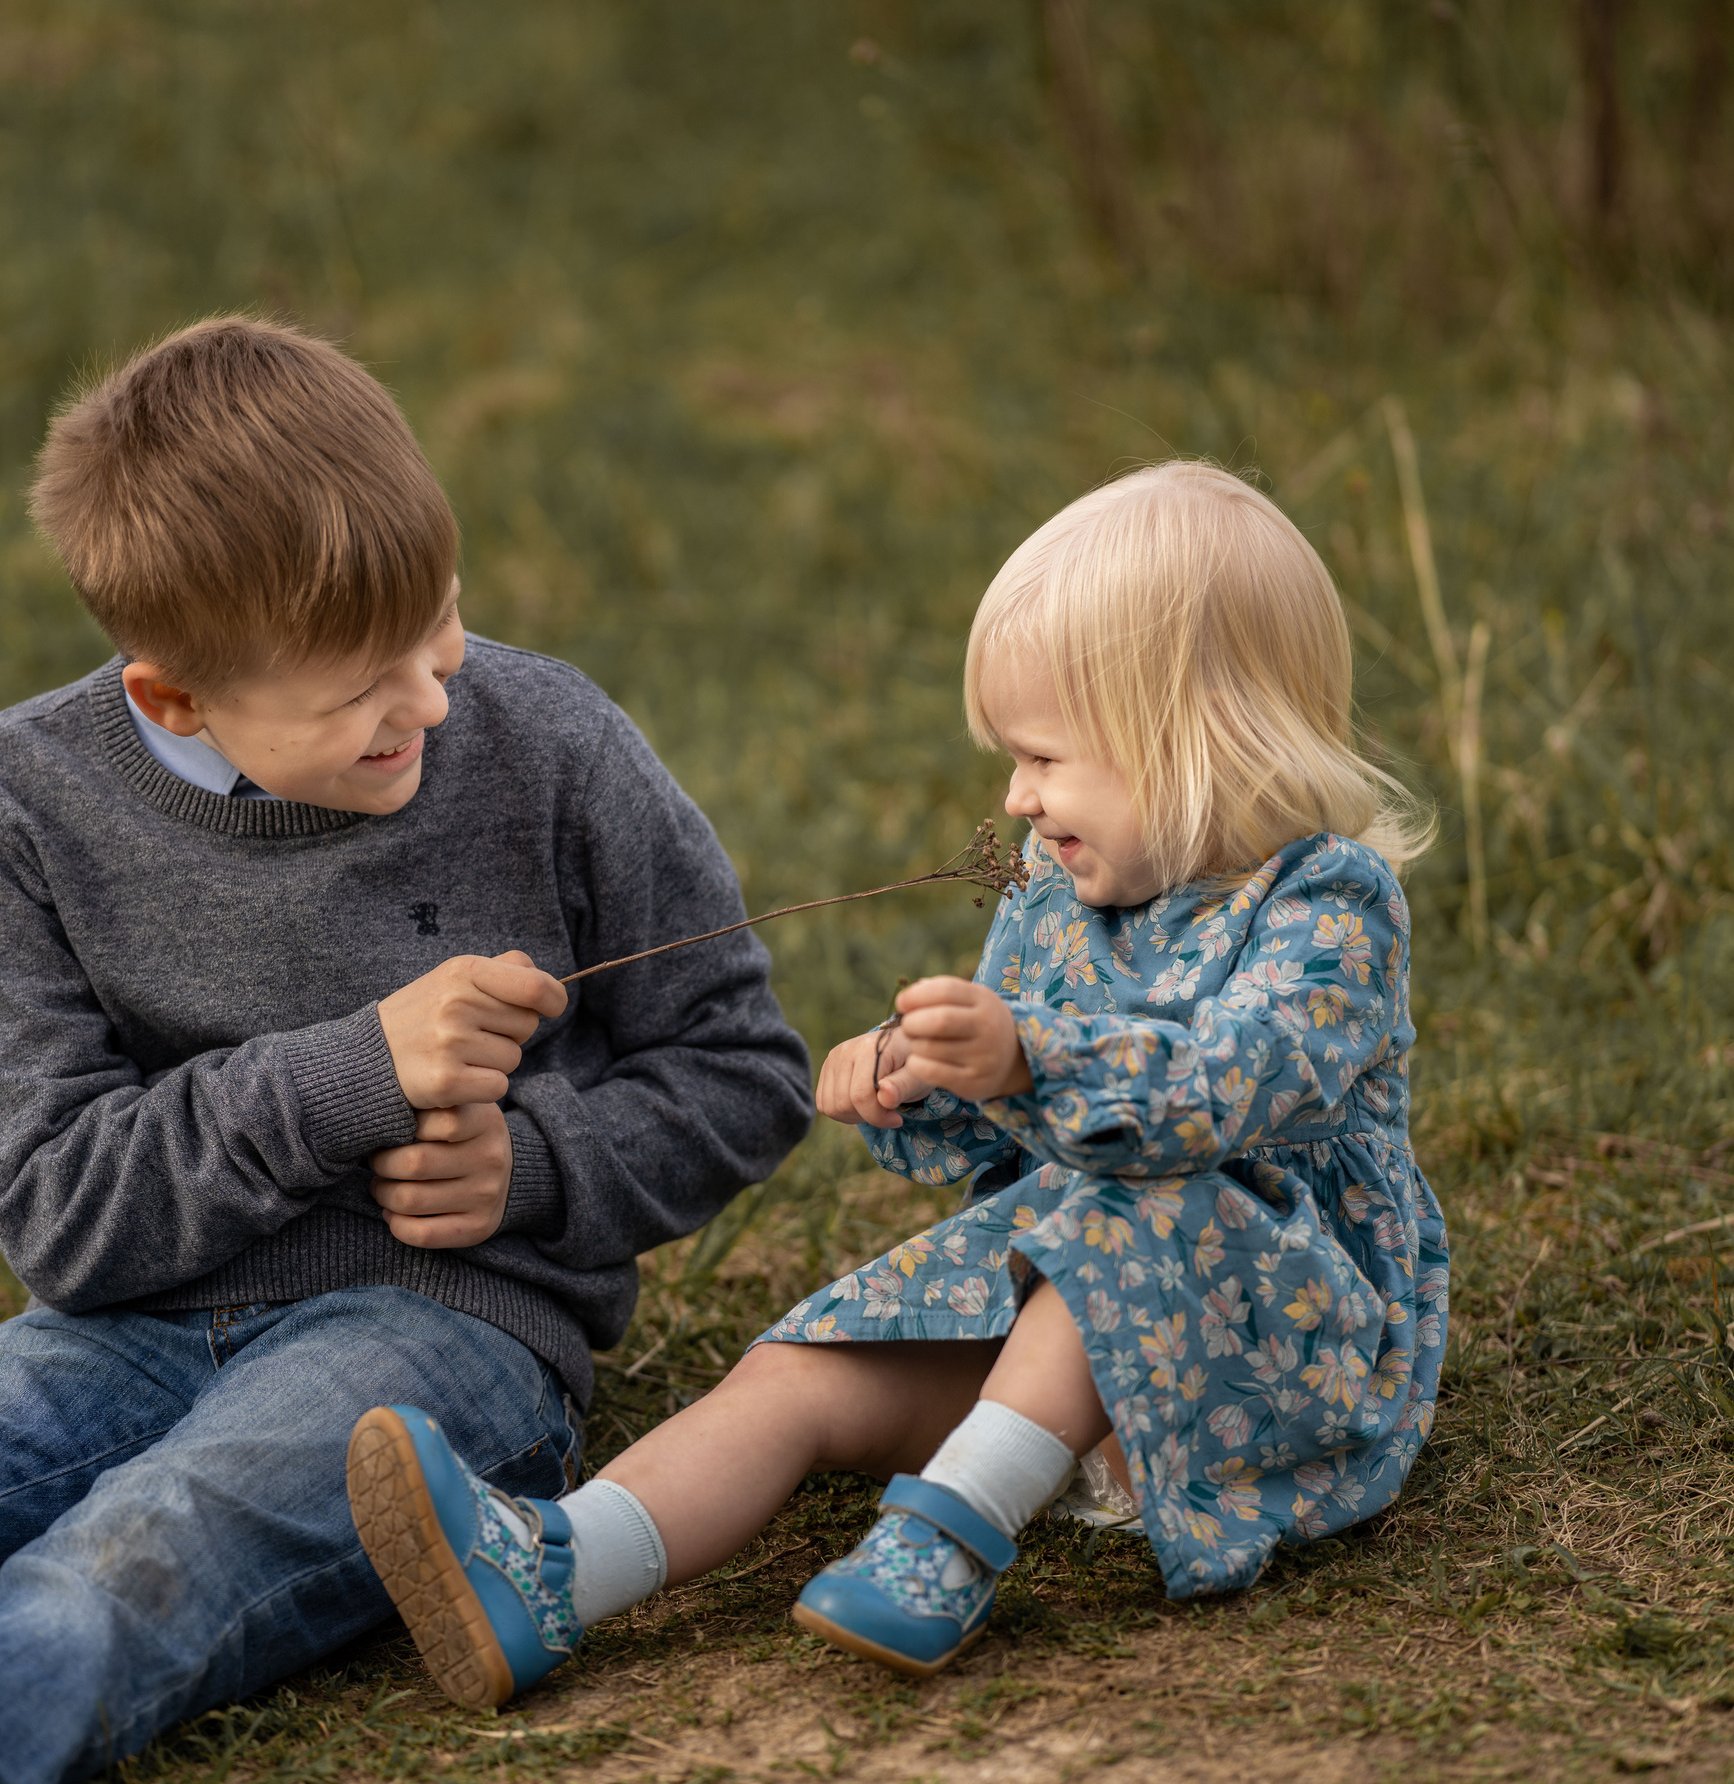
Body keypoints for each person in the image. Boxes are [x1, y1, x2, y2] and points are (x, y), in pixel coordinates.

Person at [0, 317, 814, 1784]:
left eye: (438, 621)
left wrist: (541, 1165)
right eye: (361, 694)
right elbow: (64, 1212)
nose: (433, 697)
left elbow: (743, 1067)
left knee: (140, 1551)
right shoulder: (13, 807)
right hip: (117, 1323)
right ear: (173, 696)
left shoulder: (548, 736)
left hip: (445, 1327)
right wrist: (352, 1072)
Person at [344, 461, 1449, 1704]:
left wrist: (1030, 1054)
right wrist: (919, 1078)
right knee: (801, 1371)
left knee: (1122, 1220)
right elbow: (1005, 1142)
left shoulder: (1329, 905)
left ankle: (951, 1533)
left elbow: (1227, 1088)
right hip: (1069, 1332)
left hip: (1287, 1353)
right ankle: (556, 1565)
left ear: (1194, 742)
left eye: (1043, 757)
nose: (1016, 797)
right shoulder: (1051, 886)